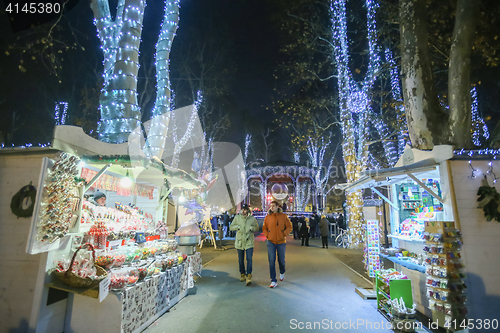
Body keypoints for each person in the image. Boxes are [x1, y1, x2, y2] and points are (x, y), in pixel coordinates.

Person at [262, 200, 293, 288]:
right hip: (271, 241)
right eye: (270, 206)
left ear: (277, 207)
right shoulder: (268, 217)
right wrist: (267, 235)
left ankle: (282, 272)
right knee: (271, 261)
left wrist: (284, 234)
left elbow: (289, 227)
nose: (271, 207)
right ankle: (273, 280)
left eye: (273, 206)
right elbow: (264, 228)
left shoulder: (283, 216)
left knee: (281, 260)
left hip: (281, 242)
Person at [229, 204, 259, 286]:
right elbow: (231, 227)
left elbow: (257, 228)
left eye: (245, 209)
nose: (243, 211)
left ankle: (248, 276)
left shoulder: (252, 219)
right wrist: (237, 227)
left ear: (248, 210)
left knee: (249, 259)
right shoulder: (237, 218)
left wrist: (252, 228)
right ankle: (242, 274)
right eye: (242, 209)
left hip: (249, 241)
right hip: (240, 241)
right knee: (240, 259)